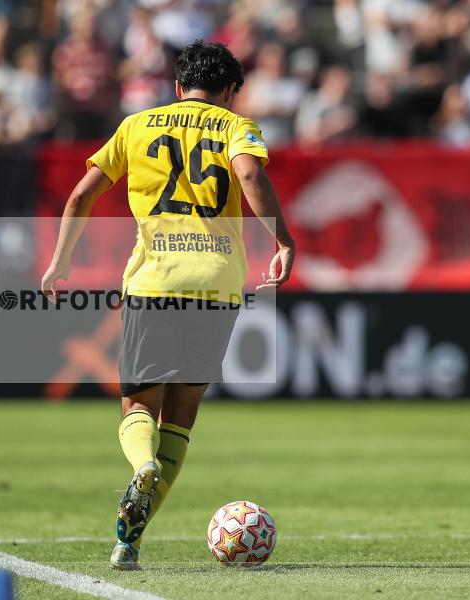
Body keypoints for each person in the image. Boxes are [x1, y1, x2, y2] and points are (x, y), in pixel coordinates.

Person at [40, 40, 295, 570]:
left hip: (154, 280)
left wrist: (61, 261)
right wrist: (283, 241)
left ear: (178, 86)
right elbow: (250, 175)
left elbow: (81, 195)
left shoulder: (136, 126)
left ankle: (142, 468)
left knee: (138, 408)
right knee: (181, 415)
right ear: (230, 91)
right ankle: (128, 542)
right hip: (217, 283)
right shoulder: (235, 126)